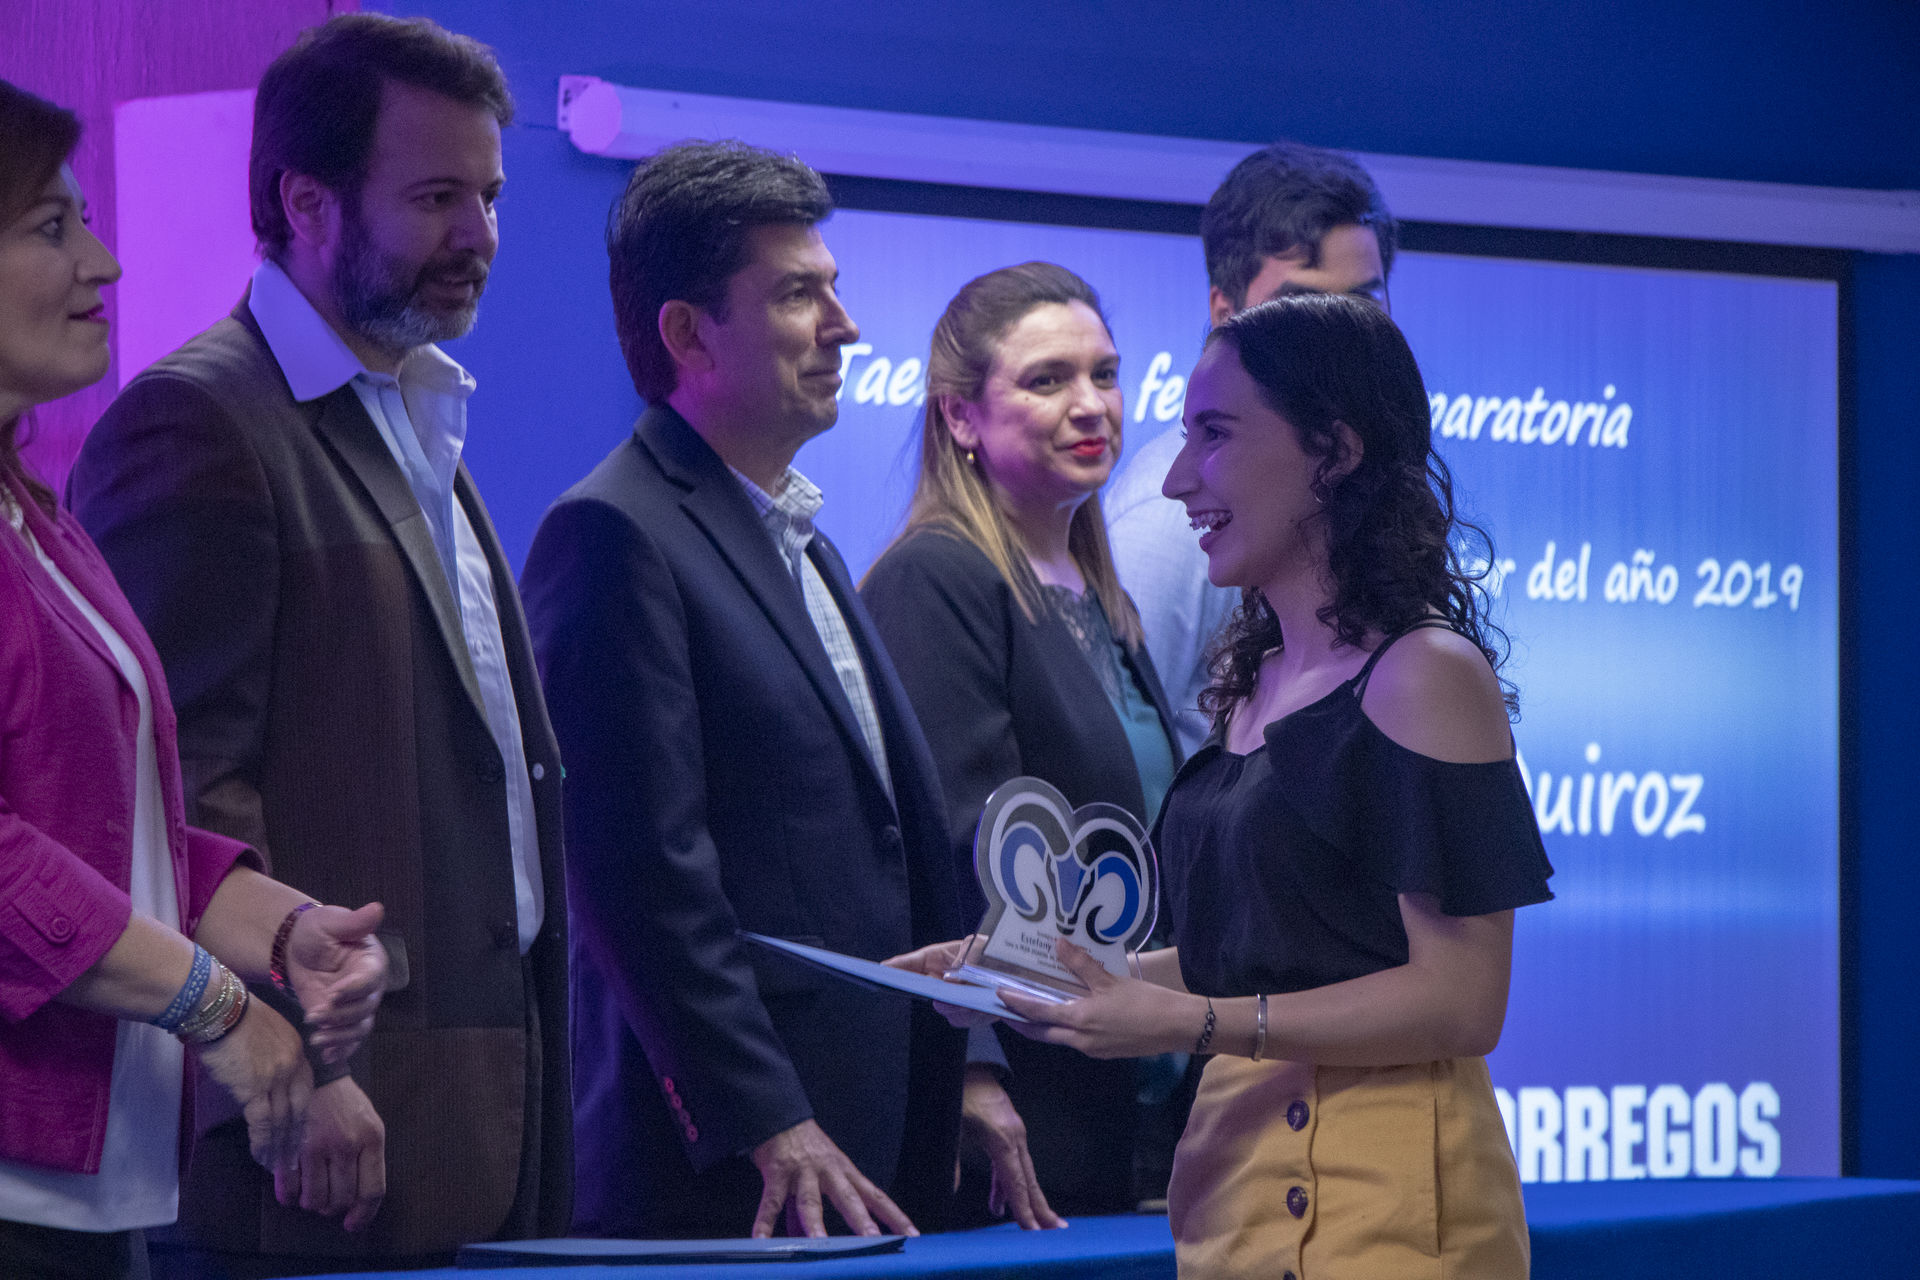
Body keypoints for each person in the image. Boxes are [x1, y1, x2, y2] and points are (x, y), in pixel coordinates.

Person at [899, 294, 1553, 1278]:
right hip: (1239, 1195)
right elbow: (1261, 954)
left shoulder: (1426, 673)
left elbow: (1462, 1000)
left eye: (1214, 435)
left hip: (1386, 1208)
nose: (1172, 476)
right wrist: (1028, 974)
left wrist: (1194, 1021)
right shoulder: (1257, 677)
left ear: (1331, 450)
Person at [68, 15, 569, 1275]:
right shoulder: (194, 422)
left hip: (477, 1109)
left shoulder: (415, 406)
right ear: (307, 200)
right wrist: (287, 1052)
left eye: (492, 197)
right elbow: (173, 802)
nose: (481, 237)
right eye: (437, 196)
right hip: (313, 1140)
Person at [519, 140, 965, 1241]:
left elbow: (888, 837)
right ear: (686, 332)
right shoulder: (615, 530)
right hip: (736, 1172)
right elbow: (640, 869)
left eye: (835, 289)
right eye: (798, 294)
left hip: (867, 1133)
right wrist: (767, 1114)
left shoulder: (795, 534)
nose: (844, 326)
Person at [0, 79, 387, 1280]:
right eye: (51, 228)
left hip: (91, 1180)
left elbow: (111, 827)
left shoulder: (36, 516)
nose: (103, 262)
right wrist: (214, 1006)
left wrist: (281, 934)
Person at [860, 262, 1180, 1227]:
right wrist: (974, 1071)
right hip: (1032, 1128)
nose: (1092, 405)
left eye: (1106, 374)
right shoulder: (937, 579)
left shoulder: (1099, 596)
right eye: (1047, 380)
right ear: (960, 419)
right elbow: (960, 856)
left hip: (1146, 1107)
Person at [1105, 140, 1396, 754]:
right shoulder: (1178, 513)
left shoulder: (1373, 479)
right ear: (1224, 312)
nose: (1335, 337)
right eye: (1299, 306)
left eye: (1361, 305)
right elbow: (1106, 756)